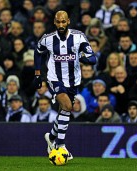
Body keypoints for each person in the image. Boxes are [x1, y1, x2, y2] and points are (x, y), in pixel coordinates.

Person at [33, 11, 96, 161]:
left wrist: (85, 59)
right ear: (54, 23)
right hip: (54, 79)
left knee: (63, 112)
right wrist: (37, 74)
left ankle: (51, 137)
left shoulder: (79, 37)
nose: (61, 25)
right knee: (68, 106)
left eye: (63, 22)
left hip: (73, 81)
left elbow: (92, 57)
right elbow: (38, 52)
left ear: (68, 21)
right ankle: (60, 145)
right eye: (58, 22)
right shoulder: (47, 39)